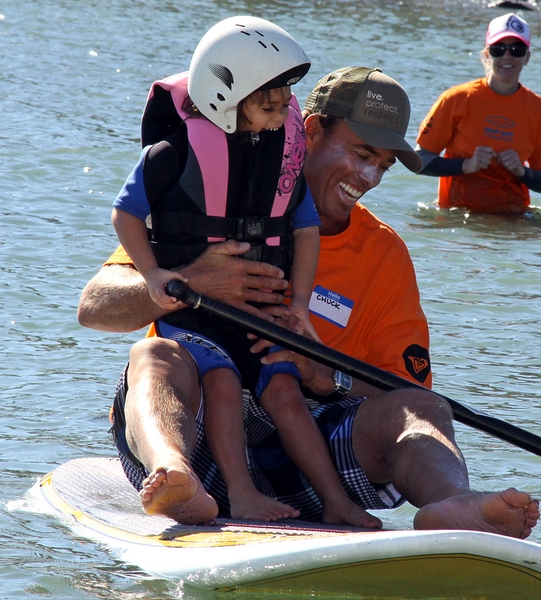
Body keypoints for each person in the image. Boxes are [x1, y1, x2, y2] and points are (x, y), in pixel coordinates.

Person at [78, 65, 541, 538]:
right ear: (312, 131)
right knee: (153, 354)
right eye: (362, 153)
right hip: (200, 436)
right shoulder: (208, 193)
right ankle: (174, 475)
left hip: (310, 460)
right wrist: (192, 282)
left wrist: (326, 374)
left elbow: (403, 390)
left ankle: (452, 506)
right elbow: (94, 307)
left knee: (428, 410)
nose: (370, 177)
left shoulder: (384, 253)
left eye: (383, 165)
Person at [109, 16, 377, 528]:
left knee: (284, 392)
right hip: (196, 320)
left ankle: (338, 501)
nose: (279, 119)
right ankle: (238, 491)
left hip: (259, 319)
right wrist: (152, 275)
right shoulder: (171, 155)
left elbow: (303, 229)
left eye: (284, 107)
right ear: (222, 94)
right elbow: (125, 213)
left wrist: (299, 304)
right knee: (225, 385)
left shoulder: (281, 163)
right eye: (267, 107)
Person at [415, 13, 541, 214]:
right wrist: (466, 165)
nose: (507, 56)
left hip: (513, 220)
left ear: (527, 57)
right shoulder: (457, 98)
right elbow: (418, 161)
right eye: (498, 49)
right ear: (486, 55)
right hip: (457, 218)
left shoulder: (538, 109)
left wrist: (521, 171)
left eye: (516, 49)